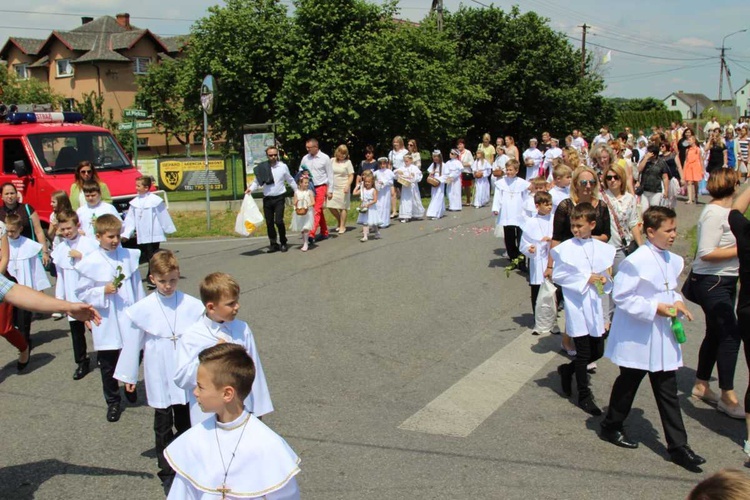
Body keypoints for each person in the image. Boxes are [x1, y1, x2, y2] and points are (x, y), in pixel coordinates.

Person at [600, 206, 706, 472]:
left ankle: (678, 447)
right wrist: (656, 307)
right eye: (668, 230)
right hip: (639, 335)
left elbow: (671, 289)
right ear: (650, 231)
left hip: (661, 335)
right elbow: (622, 296)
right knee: (629, 380)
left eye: (674, 229)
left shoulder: (670, 258)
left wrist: (678, 303)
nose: (673, 234)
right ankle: (611, 425)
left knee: (667, 388)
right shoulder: (636, 261)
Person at [113, 250, 204, 493]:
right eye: (162, 281)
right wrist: (129, 375)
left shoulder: (192, 305)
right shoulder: (143, 308)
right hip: (158, 369)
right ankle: (167, 471)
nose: (168, 286)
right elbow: (133, 343)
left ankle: (188, 466)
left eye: (173, 280)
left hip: (184, 369)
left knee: (186, 421)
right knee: (163, 423)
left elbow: (201, 338)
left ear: (178, 276)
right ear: (152, 278)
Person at [165, 343, 300, 500]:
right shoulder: (194, 439)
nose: (195, 392)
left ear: (227, 393)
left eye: (201, 387)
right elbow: (181, 495)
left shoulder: (268, 445)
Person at [174, 272, 273, 426]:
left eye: (237, 301)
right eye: (230, 304)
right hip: (207, 416)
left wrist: (259, 408)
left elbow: (254, 369)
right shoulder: (192, 336)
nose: (237, 307)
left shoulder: (242, 328)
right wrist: (211, 357)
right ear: (211, 307)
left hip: (241, 410)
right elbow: (181, 378)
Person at [75, 214, 145, 422]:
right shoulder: (90, 262)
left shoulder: (128, 256)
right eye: (110, 237)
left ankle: (129, 383)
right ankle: (113, 401)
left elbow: (137, 288)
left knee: (133, 353)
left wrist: (142, 313)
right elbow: (81, 293)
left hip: (128, 314)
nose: (115, 240)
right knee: (108, 363)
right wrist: (101, 291)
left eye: (117, 236)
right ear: (98, 236)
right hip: (106, 318)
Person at [688, 168, 744, 419]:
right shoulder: (713, 214)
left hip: (725, 280)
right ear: (733, 186)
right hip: (711, 281)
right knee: (730, 335)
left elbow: (738, 210)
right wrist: (741, 249)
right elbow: (706, 252)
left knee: (715, 332)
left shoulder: (726, 212)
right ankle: (727, 396)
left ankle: (701, 384)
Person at [552, 202, 615, 416]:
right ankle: (584, 395)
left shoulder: (601, 248)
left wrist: (603, 282)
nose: (576, 230)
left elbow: (604, 277)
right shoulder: (567, 248)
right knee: (584, 350)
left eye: (580, 225)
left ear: (592, 224)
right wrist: (585, 278)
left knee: (598, 350)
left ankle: (567, 370)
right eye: (573, 225)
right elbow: (558, 275)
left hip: (594, 304)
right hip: (577, 304)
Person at [548, 167, 611, 355]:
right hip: (570, 260)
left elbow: (606, 234)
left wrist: (589, 241)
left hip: (593, 258)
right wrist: (550, 264)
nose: (588, 186)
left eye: (592, 182)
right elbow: (557, 237)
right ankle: (571, 340)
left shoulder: (601, 206)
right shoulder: (565, 206)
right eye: (584, 182)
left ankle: (589, 342)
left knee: (594, 301)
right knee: (573, 303)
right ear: (576, 184)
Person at [50, 209, 99, 380]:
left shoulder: (89, 243)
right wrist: (60, 299)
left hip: (88, 291)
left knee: (95, 325)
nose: (66, 232)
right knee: (76, 330)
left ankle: (104, 353)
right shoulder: (60, 248)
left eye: (69, 228)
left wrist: (82, 256)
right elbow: (61, 276)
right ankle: (82, 361)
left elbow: (98, 265)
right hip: (71, 293)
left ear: (77, 225)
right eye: (62, 229)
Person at [5, 213, 51, 345]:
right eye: (7, 231)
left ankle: (25, 340)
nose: (9, 234)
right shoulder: (3, 244)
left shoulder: (28, 245)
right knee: (12, 316)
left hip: (25, 285)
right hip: (10, 285)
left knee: (24, 316)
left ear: (20, 229)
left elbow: (35, 268)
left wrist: (39, 287)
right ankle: (19, 336)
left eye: (13, 231)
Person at [246, 146, 297, 253]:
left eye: (275, 155)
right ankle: (273, 243)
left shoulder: (282, 167)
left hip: (279, 197)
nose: (273, 157)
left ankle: (283, 242)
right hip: (267, 198)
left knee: (278, 221)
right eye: (270, 155)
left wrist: (297, 191)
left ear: (277, 155)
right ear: (267, 156)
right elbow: (257, 181)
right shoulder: (263, 167)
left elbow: (290, 179)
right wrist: (250, 189)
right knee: (269, 222)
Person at [122, 176, 175, 275]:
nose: (136, 188)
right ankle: (155, 272)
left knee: (152, 253)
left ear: (146, 188)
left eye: (138, 186)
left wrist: (168, 228)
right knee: (147, 254)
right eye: (136, 185)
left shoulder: (155, 200)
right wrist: (126, 233)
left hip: (154, 232)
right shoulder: (135, 202)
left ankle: (152, 274)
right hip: (142, 232)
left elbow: (163, 215)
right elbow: (130, 219)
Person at [520, 191, 554, 327]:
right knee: (537, 289)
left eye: (551, 204)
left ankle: (551, 319)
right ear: (537, 206)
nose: (549, 207)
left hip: (551, 258)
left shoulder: (554, 219)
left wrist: (551, 240)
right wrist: (529, 248)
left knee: (551, 290)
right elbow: (524, 242)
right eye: (546, 205)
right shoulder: (531, 222)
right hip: (538, 259)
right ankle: (538, 319)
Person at [492, 159, 530, 270]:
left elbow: (526, 197)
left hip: (519, 213)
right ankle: (513, 258)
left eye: (510, 170)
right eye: (507, 170)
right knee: (509, 237)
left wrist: (528, 211)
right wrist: (496, 208)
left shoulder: (522, 183)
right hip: (507, 213)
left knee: (521, 237)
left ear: (516, 170)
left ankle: (522, 261)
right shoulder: (501, 183)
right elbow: (497, 197)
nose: (508, 172)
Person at [0, 183, 48, 266]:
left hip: (28, 253)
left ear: (17, 194)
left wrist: (45, 252)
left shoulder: (27, 208)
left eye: (12, 193)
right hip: (7, 255)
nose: (10, 196)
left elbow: (39, 231)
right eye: (6, 194)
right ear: (2, 196)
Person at [300, 139, 333, 243]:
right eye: (306, 147)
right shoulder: (305, 158)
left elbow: (330, 175)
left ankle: (311, 234)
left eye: (309, 148)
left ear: (316, 147)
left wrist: (330, 190)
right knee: (318, 210)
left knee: (316, 210)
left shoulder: (325, 158)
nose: (307, 149)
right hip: (309, 187)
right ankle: (324, 232)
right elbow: (301, 171)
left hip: (321, 186)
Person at [328, 145, 355, 235]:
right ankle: (339, 220)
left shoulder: (348, 162)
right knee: (330, 205)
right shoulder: (331, 160)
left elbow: (351, 175)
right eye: (341, 153)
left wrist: (347, 185)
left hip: (344, 186)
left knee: (343, 207)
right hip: (333, 186)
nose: (342, 155)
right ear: (337, 152)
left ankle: (342, 226)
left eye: (344, 153)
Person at [393, 152, 424, 223]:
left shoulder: (414, 167)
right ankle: (405, 216)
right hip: (405, 187)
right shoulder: (403, 167)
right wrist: (398, 172)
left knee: (414, 199)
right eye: (404, 161)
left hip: (412, 187)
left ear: (411, 160)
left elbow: (419, 175)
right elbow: (395, 173)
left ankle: (415, 213)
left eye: (407, 161)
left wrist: (413, 176)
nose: (405, 162)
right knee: (405, 200)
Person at [637, 145, 669, 211]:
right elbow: (639, 170)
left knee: (653, 211)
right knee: (644, 211)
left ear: (654, 155)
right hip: (644, 191)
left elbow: (665, 177)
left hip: (656, 191)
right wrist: (645, 159)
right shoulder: (645, 161)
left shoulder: (661, 163)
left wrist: (666, 191)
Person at [353, 171, 380, 242]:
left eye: (369, 182)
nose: (367, 183)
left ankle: (377, 232)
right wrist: (357, 186)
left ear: (372, 183)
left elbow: (375, 200)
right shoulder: (363, 189)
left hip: (371, 207)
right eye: (366, 182)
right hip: (364, 207)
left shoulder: (373, 190)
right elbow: (354, 193)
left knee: (373, 222)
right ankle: (365, 236)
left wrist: (368, 204)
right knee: (365, 222)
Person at [677, 134, 704, 204]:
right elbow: (686, 160)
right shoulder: (687, 150)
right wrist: (684, 168)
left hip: (696, 166)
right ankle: (690, 199)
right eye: (688, 140)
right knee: (689, 182)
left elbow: (701, 160)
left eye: (690, 140)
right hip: (689, 166)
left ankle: (696, 196)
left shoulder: (698, 150)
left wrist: (702, 169)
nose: (688, 141)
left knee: (695, 182)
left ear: (694, 141)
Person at [290, 176, 314, 252]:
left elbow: (313, 202)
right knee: (302, 228)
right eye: (305, 183)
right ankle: (304, 242)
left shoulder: (309, 192)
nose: (307, 184)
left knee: (306, 227)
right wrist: (295, 203)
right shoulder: (296, 192)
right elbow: (294, 202)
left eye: (308, 183)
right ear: (300, 183)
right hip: (299, 212)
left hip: (308, 212)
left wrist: (308, 205)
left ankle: (306, 243)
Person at [389, 136, 409, 220]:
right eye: (394, 142)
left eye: (397, 142)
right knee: (393, 193)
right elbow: (390, 164)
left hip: (402, 172)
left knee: (402, 192)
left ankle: (404, 210)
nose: (395, 144)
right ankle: (394, 211)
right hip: (394, 172)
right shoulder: (391, 153)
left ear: (400, 143)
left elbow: (407, 163)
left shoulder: (405, 152)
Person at [373, 157, 394, 228]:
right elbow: (373, 179)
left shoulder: (389, 172)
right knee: (378, 205)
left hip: (386, 191)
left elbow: (391, 181)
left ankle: (384, 222)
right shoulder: (376, 172)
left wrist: (384, 182)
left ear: (386, 164)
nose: (382, 165)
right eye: (381, 164)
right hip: (379, 191)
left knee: (385, 205)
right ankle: (378, 221)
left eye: (384, 163)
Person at [426, 151, 447, 220]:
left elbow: (445, 175)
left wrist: (439, 180)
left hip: (440, 183)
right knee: (434, 196)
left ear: (440, 157)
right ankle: (437, 212)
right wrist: (431, 175)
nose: (435, 158)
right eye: (434, 157)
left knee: (439, 197)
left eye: (437, 157)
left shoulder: (443, 165)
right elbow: (429, 174)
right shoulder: (433, 165)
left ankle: (435, 213)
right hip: (434, 183)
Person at [457, 139, 474, 206]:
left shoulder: (468, 152)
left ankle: (468, 199)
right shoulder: (456, 152)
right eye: (458, 144)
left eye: (461, 144)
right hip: (458, 172)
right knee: (458, 186)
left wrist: (463, 164)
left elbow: (472, 162)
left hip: (466, 171)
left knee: (466, 186)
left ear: (464, 145)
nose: (459, 146)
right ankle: (458, 200)